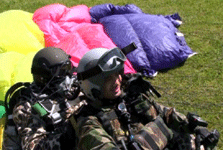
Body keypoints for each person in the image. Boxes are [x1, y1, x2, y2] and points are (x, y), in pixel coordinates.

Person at [74, 47, 219, 150]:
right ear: (92, 85)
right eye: (108, 79)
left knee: (193, 141)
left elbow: (165, 113)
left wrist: (194, 126)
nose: (117, 81)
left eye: (117, 73)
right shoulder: (89, 122)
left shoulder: (130, 98)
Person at [3, 47, 81, 150]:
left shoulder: (69, 91)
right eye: (62, 72)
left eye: (68, 68)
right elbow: (34, 146)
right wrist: (68, 132)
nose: (68, 76)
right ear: (45, 77)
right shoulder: (27, 107)